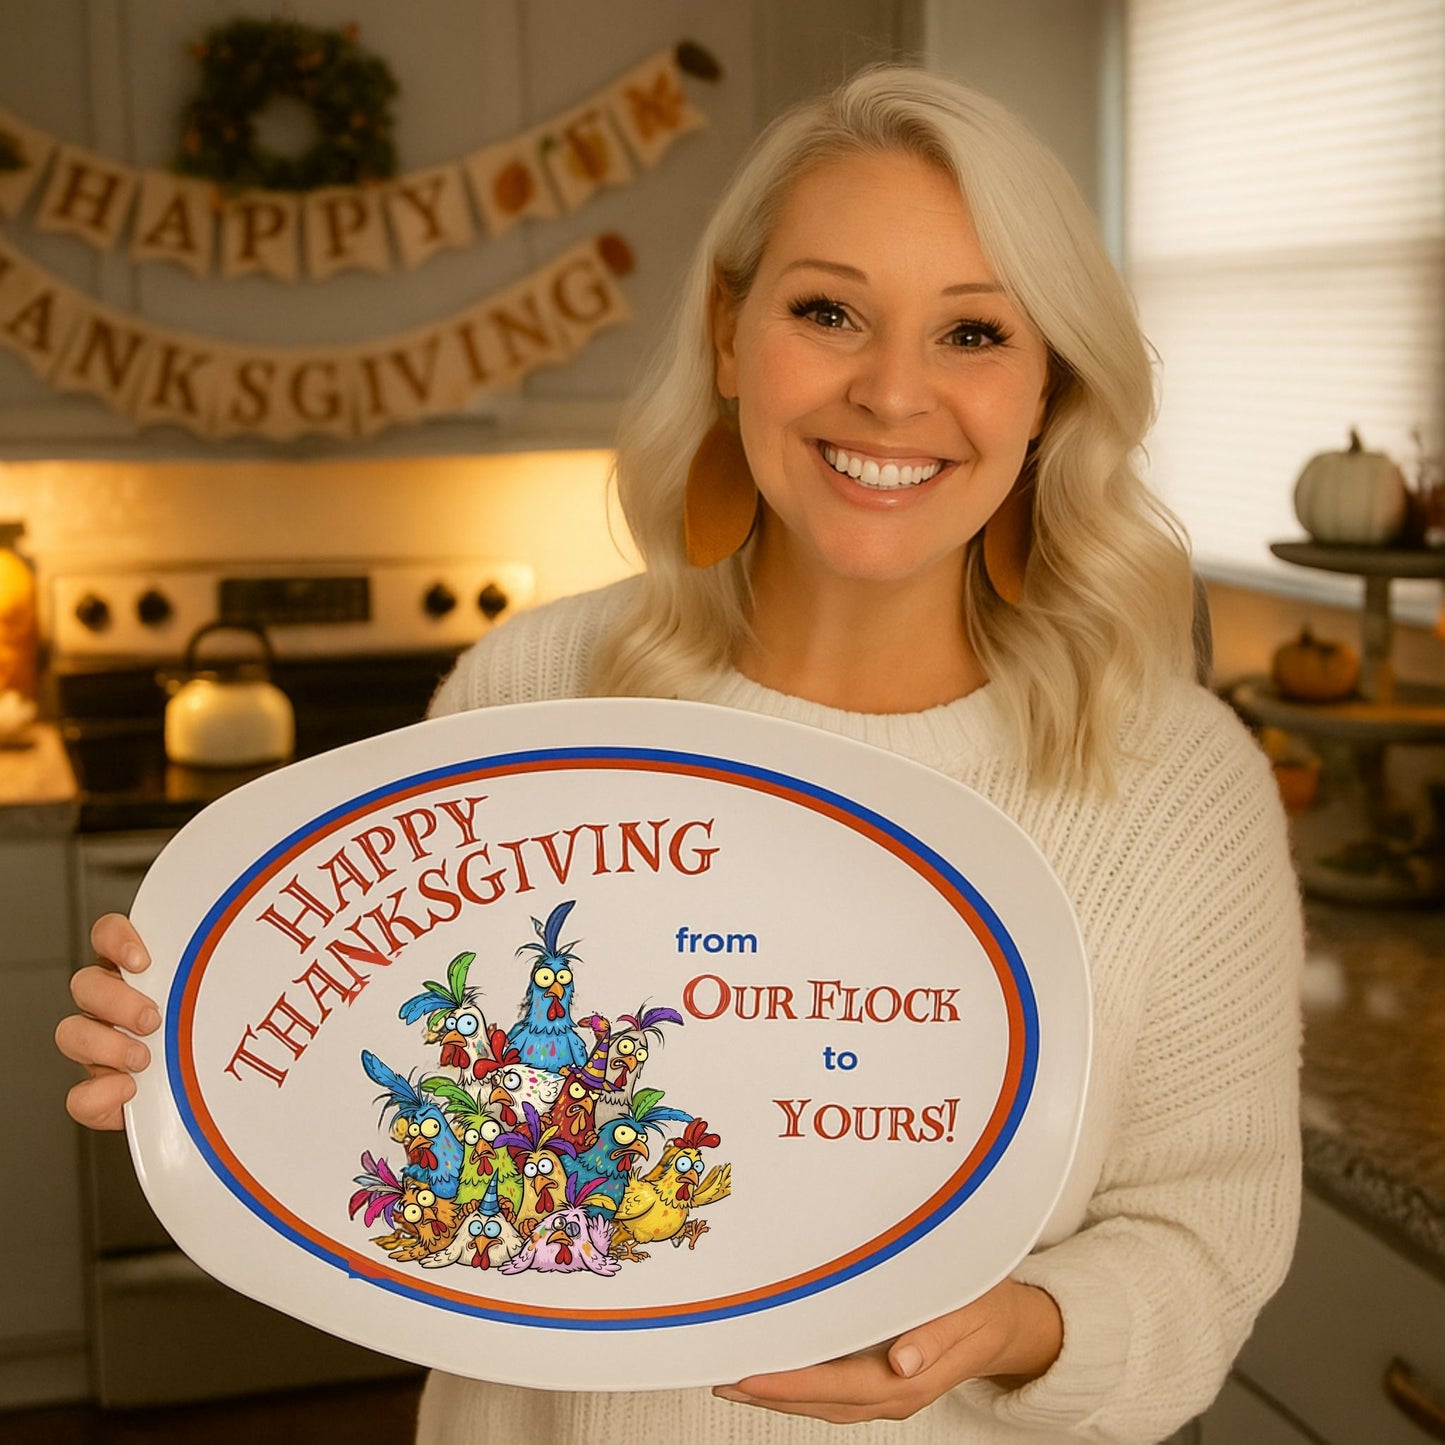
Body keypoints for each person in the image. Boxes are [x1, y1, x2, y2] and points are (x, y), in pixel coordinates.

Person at [57, 65, 1303, 1445]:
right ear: (727, 333)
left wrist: (1016, 1327)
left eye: (973, 332)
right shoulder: (532, 689)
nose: (893, 391)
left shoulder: (1175, 782)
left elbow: (1205, 1247)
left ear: (1048, 385)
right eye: (828, 311)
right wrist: (203, 1049)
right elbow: (423, 1089)